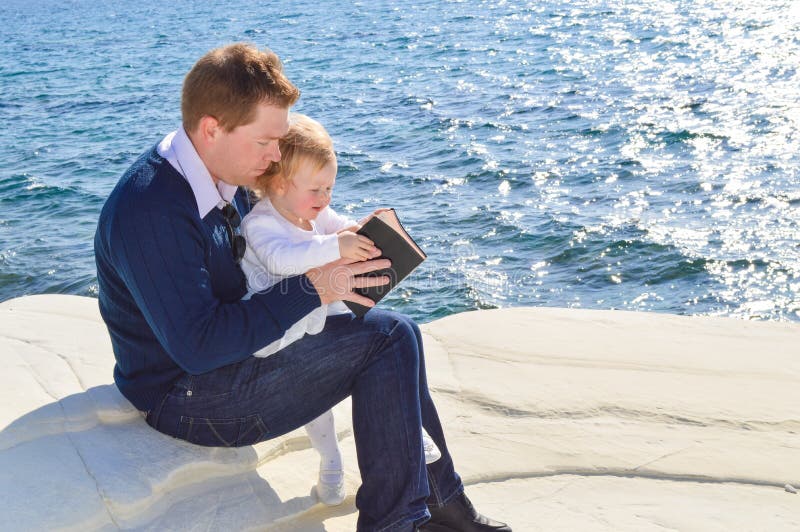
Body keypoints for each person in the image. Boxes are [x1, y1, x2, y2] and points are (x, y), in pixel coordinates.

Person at [94, 42, 510, 531]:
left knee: (400, 332)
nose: (276, 157)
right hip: (184, 398)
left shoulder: (223, 171)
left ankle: (442, 501)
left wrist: (342, 241)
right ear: (211, 129)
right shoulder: (152, 210)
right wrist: (316, 287)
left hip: (231, 363)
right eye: (266, 142)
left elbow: (278, 239)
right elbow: (199, 347)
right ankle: (398, 523)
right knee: (387, 340)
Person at [240, 112, 441, 506]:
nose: (325, 199)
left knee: (387, 347)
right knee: (317, 410)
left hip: (320, 315)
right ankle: (331, 459)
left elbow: (339, 225)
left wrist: (363, 231)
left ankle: (409, 430)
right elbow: (283, 259)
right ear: (279, 184)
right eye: (316, 189)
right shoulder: (260, 223)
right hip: (279, 335)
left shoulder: (311, 211)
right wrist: (336, 247)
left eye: (330, 188)